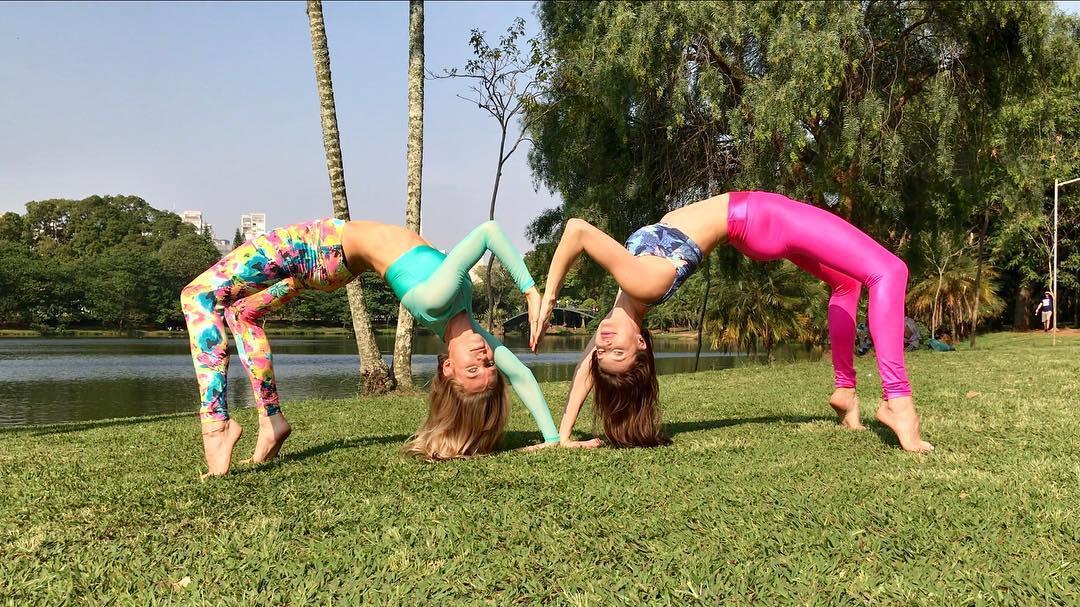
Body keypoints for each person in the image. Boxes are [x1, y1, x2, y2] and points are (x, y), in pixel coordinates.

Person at [532, 191, 933, 453]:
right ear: (641, 344)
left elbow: (588, 370)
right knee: (889, 271)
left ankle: (845, 391)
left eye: (602, 351)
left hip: (752, 226)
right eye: (616, 352)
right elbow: (577, 230)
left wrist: (562, 435)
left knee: (846, 283)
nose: (603, 343)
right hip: (760, 217)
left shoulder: (624, 304)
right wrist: (547, 300)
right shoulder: (641, 283)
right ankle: (898, 402)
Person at [182, 218, 568, 478]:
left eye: (473, 369)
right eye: (489, 366)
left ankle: (215, 424)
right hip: (332, 260)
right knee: (243, 314)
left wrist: (530, 291)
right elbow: (522, 374)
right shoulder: (466, 320)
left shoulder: (438, 300)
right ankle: (271, 421)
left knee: (198, 295)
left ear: (447, 367)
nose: (485, 358)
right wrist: (553, 439)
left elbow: (488, 232)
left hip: (320, 246)